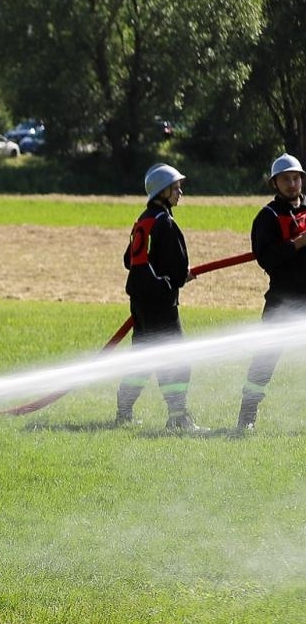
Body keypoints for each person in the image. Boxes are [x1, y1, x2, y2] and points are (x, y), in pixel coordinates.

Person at [115, 163, 200, 431]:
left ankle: (124, 411)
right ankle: (178, 417)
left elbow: (130, 260)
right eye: (175, 188)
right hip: (161, 304)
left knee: (142, 358)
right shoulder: (165, 222)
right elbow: (177, 266)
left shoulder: (144, 219)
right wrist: (175, 278)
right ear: (162, 192)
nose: (180, 193)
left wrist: (164, 275)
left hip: (140, 303)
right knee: (177, 361)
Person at [236, 153, 306, 431]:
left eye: (296, 178)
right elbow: (265, 258)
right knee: (266, 359)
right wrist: (297, 244)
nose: (292, 184)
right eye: (285, 179)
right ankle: (247, 417)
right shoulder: (267, 217)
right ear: (274, 184)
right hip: (282, 300)